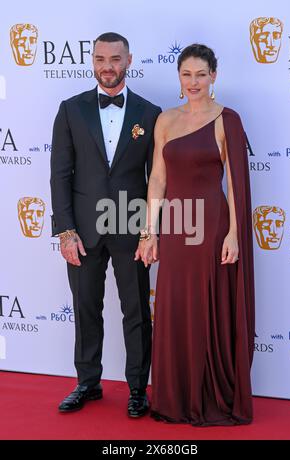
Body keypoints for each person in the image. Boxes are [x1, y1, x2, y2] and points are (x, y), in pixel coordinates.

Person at [135, 44, 255, 426]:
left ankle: (208, 396)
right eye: (187, 75)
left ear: (214, 76)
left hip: (213, 226)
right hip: (176, 226)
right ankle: (174, 396)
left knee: (207, 306)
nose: (193, 82)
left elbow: (235, 184)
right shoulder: (166, 120)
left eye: (201, 74)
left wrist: (235, 233)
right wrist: (149, 232)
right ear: (179, 78)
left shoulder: (227, 120)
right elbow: (158, 177)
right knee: (174, 306)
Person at [50, 32, 161, 417]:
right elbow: (60, 174)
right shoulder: (70, 109)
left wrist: (149, 231)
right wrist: (65, 230)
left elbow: (157, 180)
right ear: (92, 61)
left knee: (136, 311)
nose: (107, 66)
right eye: (100, 59)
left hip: (131, 228)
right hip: (82, 230)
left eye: (115, 59)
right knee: (85, 308)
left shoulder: (150, 113)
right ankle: (87, 382)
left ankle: (137, 388)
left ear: (128, 60)